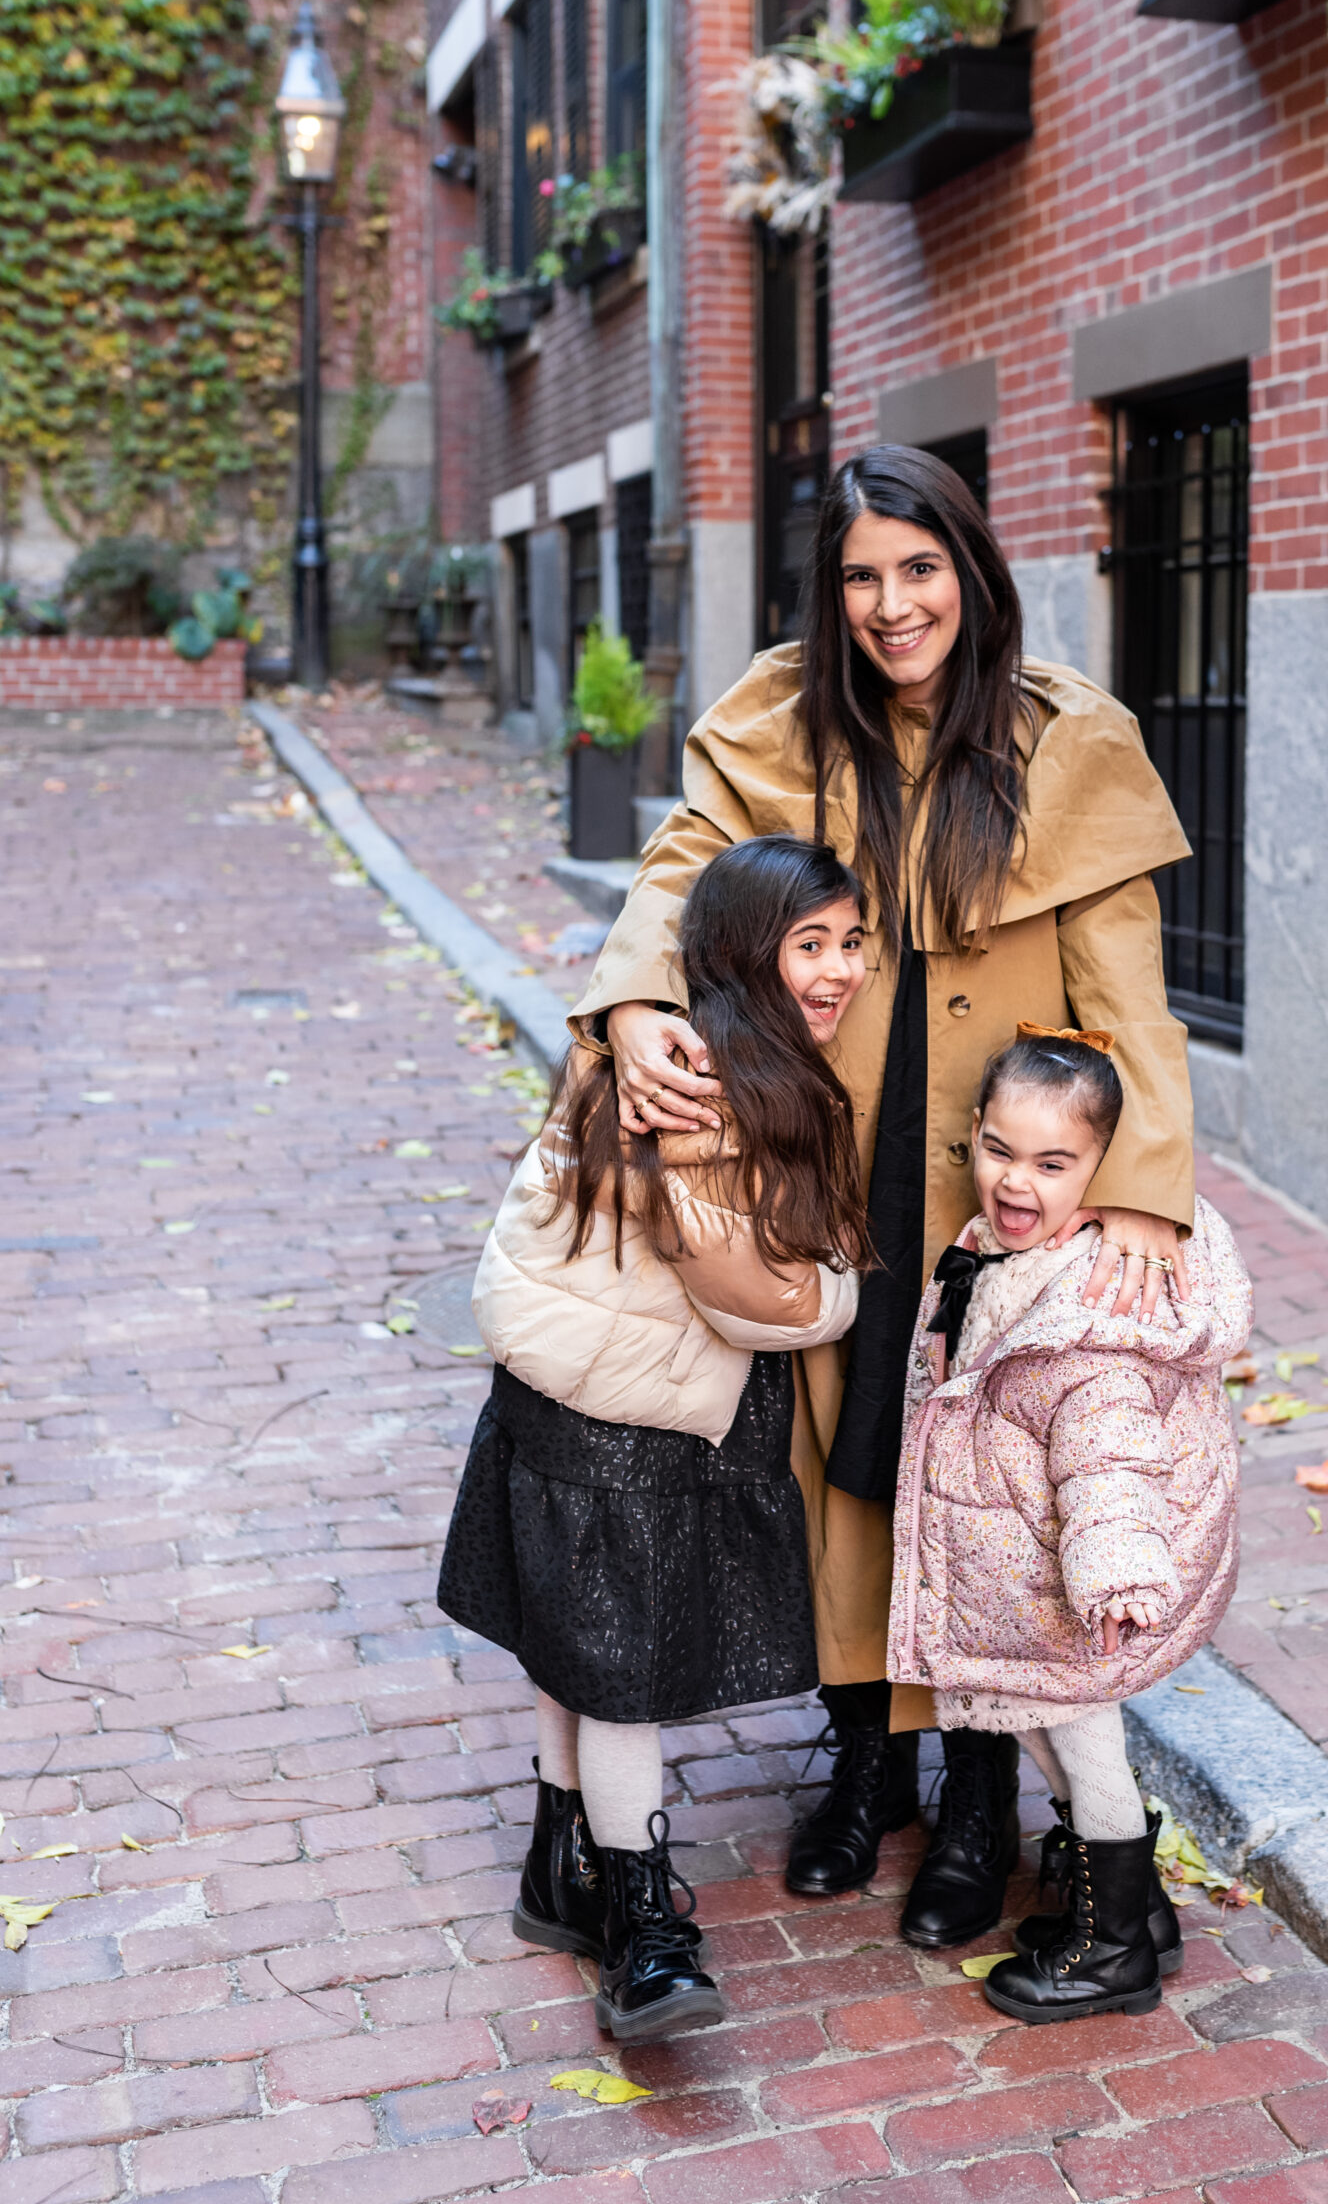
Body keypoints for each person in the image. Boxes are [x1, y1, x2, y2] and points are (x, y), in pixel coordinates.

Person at [572, 443, 1197, 1947]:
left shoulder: (1068, 739)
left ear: (971, 577)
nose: (891, 603)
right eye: (861, 575)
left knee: (985, 1486)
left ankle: (981, 1799)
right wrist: (637, 1007)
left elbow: (1128, 987)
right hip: (826, 1158)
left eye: (919, 569)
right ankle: (870, 1766)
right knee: (841, 1463)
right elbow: (679, 869)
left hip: (994, 1184)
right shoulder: (782, 718)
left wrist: (1140, 1194)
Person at [436, 836, 872, 2037]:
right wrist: (839, 1292)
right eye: (810, 943)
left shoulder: (639, 1052)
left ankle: (555, 1870)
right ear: (740, 953)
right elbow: (760, 1301)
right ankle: (638, 1925)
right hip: (626, 1416)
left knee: (574, 1645)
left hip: (553, 1391)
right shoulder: (720, 1093)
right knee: (620, 1669)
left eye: (852, 940)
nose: (839, 969)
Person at [888, 1026, 1248, 2024]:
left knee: (1082, 1745)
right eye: (1000, 1151)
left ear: (1102, 1170)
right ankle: (1133, 1912)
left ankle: (1112, 1949)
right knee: (1038, 1729)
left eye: (1053, 1164)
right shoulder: (997, 1252)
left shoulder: (1087, 1314)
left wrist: (1119, 1567)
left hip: (1074, 1585)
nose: (1017, 1182)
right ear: (971, 1136)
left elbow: (1110, 1454)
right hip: (1019, 1560)